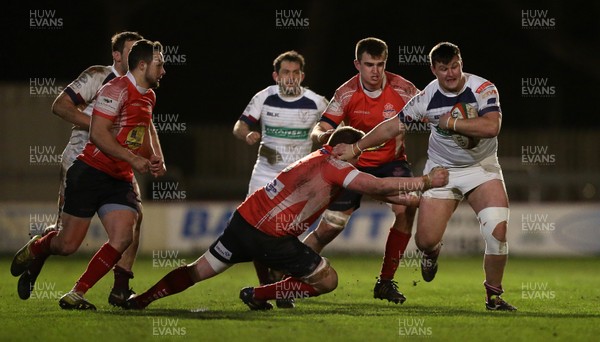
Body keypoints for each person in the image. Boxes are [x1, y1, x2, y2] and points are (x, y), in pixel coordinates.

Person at [123, 127, 449, 311]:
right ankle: (259, 294)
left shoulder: (319, 160)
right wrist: (425, 182)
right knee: (327, 280)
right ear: (342, 149)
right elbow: (376, 184)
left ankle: (143, 299)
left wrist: (416, 199)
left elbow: (379, 192)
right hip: (271, 237)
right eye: (356, 151)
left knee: (199, 270)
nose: (358, 157)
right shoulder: (336, 164)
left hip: (243, 223)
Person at [334, 42, 516, 311]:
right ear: (434, 70)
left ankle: (494, 296)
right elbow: (391, 127)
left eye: (455, 66)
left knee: (498, 231)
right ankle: (431, 254)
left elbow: (492, 127)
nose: (451, 74)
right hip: (442, 171)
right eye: (444, 69)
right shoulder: (426, 99)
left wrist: (451, 122)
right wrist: (355, 147)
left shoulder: (482, 88)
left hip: (483, 169)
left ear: (461, 62)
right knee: (425, 240)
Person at [11, 39, 167, 310]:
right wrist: (129, 153)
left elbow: (140, 132)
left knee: (124, 235)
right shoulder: (112, 86)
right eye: (160, 65)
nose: (163, 70)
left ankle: (80, 292)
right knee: (67, 244)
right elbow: (96, 133)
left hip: (118, 175)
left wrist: (152, 156)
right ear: (141, 64)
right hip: (89, 171)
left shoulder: (149, 95)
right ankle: (37, 249)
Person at [304, 37, 420, 304]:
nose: (375, 71)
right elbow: (319, 128)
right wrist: (325, 137)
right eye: (369, 64)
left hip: (392, 163)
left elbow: (432, 111)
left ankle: (386, 282)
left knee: (407, 207)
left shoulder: (404, 89)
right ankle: (288, 276)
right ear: (357, 64)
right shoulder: (346, 93)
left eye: (381, 64)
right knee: (330, 227)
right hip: (353, 166)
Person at [233, 50, 328, 308]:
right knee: (255, 233)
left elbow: (333, 127)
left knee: (290, 237)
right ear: (276, 75)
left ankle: (281, 288)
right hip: (265, 174)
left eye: (295, 72)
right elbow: (239, 126)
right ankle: (264, 288)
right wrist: (247, 135)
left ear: (302, 75)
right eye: (286, 72)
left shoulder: (317, 102)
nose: (290, 77)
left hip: (299, 181)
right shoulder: (263, 97)